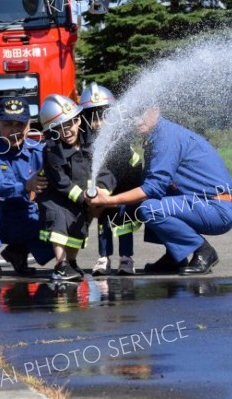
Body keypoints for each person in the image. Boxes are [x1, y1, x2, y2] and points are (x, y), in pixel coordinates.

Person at [86, 108, 232, 276]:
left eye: (141, 114)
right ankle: (175, 256)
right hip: (204, 204)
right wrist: (112, 204)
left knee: (149, 208)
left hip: (217, 208)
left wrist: (109, 201)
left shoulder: (166, 137)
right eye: (132, 116)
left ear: (155, 110)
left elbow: (152, 188)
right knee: (143, 203)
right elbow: (150, 185)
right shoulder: (156, 137)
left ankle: (203, 251)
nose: (137, 120)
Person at [0, 97, 54, 278]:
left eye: (20, 125)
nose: (14, 131)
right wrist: (26, 185)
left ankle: (17, 252)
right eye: (8, 124)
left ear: (29, 125)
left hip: (24, 216)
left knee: (66, 223)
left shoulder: (38, 151)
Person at [37, 94, 113, 281]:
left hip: (82, 197)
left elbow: (104, 170)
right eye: (60, 128)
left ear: (79, 120)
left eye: (71, 123)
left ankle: (71, 262)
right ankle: (60, 265)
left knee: (78, 229)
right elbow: (60, 181)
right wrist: (84, 199)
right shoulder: (52, 150)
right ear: (53, 130)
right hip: (56, 197)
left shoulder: (91, 143)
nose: (68, 131)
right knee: (59, 223)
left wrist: (103, 188)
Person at [79, 82, 143, 276]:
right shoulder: (85, 140)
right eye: (93, 118)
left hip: (124, 185)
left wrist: (105, 190)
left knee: (124, 220)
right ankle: (104, 258)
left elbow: (123, 165)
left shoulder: (121, 137)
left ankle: (126, 258)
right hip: (102, 187)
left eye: (103, 117)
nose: (98, 124)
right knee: (104, 220)